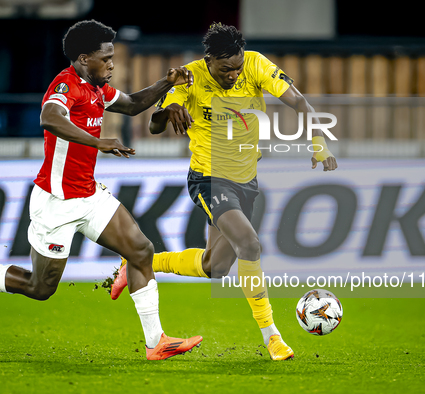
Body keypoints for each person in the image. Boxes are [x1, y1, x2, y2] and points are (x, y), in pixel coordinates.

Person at [0, 19, 202, 361]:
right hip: (56, 203)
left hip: (88, 195)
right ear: (84, 58)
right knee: (40, 288)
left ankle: (155, 342)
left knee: (141, 251)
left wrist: (165, 82)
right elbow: (50, 118)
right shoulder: (65, 86)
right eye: (106, 58)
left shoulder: (98, 88)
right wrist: (97, 141)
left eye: (113, 57)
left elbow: (131, 104)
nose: (112, 63)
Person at [110, 23, 338, 361]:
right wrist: (166, 110)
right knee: (249, 244)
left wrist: (318, 144)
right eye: (225, 68)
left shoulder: (256, 64)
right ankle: (272, 336)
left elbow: (300, 103)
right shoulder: (188, 77)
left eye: (237, 67)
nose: (233, 74)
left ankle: (140, 264)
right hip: (209, 178)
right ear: (209, 61)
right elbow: (153, 126)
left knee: (215, 266)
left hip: (247, 179)